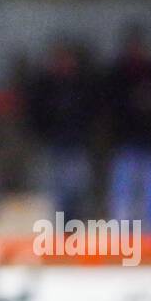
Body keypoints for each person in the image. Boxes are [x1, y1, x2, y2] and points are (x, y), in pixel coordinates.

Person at [104, 25, 151, 232]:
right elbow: (109, 107)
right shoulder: (118, 74)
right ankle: (122, 234)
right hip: (125, 144)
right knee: (124, 193)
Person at [25, 40, 98, 219]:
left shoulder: (83, 86)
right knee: (55, 196)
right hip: (53, 146)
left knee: (78, 193)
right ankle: (57, 236)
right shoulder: (45, 85)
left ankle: (74, 232)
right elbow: (34, 113)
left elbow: (93, 112)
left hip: (77, 145)